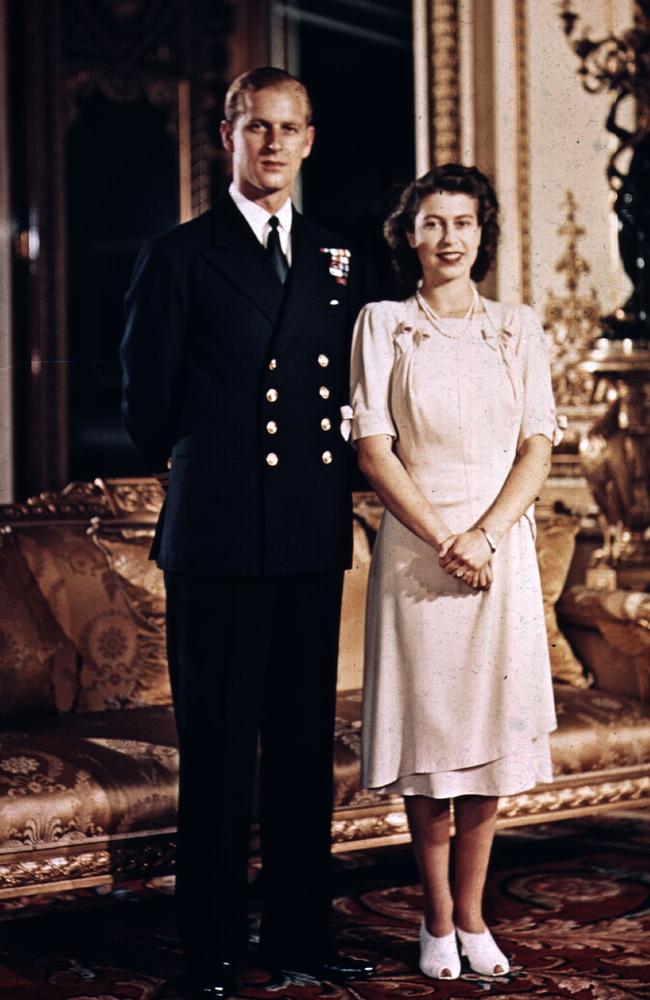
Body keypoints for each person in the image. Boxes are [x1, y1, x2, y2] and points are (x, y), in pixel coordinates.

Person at [120, 66, 374, 999]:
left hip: (308, 538)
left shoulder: (340, 259)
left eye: (290, 128)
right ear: (226, 134)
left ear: (310, 140)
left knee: (305, 753)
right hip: (220, 541)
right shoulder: (179, 256)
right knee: (221, 755)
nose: (273, 144)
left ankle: (303, 935)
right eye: (256, 127)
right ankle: (212, 948)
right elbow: (147, 413)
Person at [348, 164, 559, 981]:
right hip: (420, 552)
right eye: (432, 223)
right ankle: (436, 919)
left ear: (482, 234)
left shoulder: (517, 327)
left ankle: (475, 917)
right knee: (432, 743)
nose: (448, 238)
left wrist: (487, 534)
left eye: (463, 223)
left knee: (488, 748)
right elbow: (374, 445)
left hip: (498, 552)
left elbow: (538, 443)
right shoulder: (384, 323)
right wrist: (445, 537)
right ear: (409, 235)